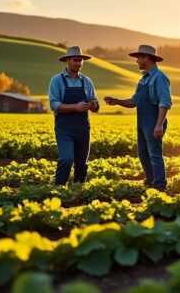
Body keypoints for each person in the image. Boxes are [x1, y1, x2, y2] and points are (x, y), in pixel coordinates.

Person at [104, 45, 172, 191]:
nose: (136, 61)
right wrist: (117, 101)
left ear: (146, 58)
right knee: (143, 154)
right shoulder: (143, 80)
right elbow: (134, 101)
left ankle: (160, 186)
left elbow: (165, 102)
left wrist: (159, 124)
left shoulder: (159, 77)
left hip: (153, 121)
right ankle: (150, 182)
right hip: (142, 122)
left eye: (138, 58)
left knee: (154, 154)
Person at [48, 46, 100, 185]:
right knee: (66, 159)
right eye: (75, 60)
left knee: (82, 164)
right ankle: (58, 189)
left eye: (80, 61)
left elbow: (95, 102)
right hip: (64, 128)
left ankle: (77, 192)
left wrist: (93, 105)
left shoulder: (87, 81)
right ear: (67, 60)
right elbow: (54, 105)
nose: (78, 63)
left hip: (83, 127)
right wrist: (75, 107)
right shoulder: (56, 81)